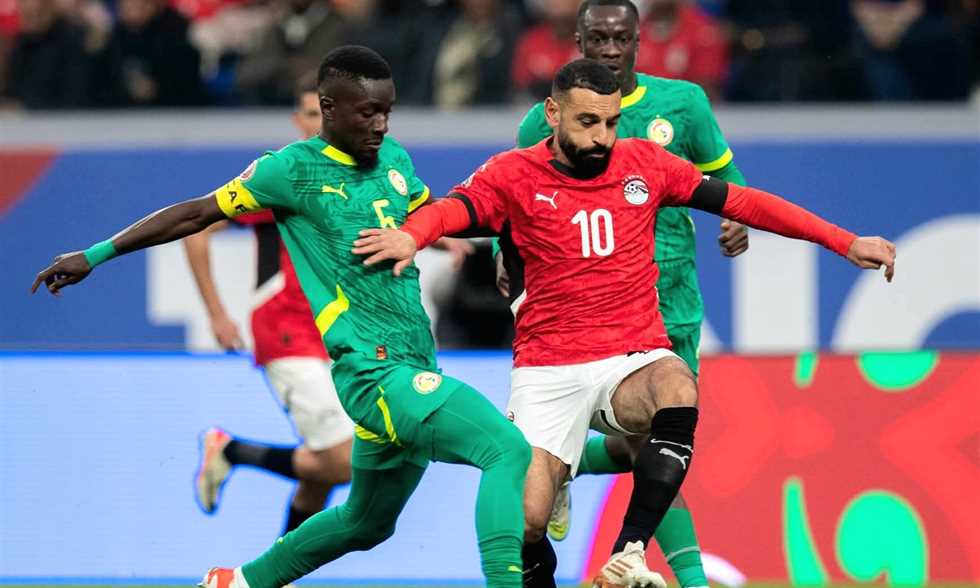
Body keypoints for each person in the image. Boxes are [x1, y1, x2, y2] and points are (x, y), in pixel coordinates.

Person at [351, 58, 896, 588]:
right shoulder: (513, 174)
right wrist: (412, 236)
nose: (602, 137)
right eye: (587, 121)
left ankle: (628, 551)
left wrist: (844, 241)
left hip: (631, 358)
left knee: (677, 385)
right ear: (553, 114)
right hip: (548, 369)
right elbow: (452, 210)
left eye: (611, 122)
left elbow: (743, 202)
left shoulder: (646, 163)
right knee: (526, 523)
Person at [32, 45, 530, 588]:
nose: (381, 125)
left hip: (414, 359)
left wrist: (501, 239)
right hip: (376, 372)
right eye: (368, 113)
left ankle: (237, 582)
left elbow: (436, 216)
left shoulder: (394, 160)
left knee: (366, 523)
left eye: (387, 112)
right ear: (328, 107)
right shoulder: (290, 169)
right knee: (505, 449)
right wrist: (95, 255)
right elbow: (196, 213)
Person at [502, 3, 748, 586]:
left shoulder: (683, 104)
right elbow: (511, 202)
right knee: (647, 447)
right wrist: (501, 258)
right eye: (598, 38)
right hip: (591, 305)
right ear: (578, 40)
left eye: (621, 37)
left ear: (640, 39)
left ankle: (566, 470)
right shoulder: (545, 119)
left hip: (673, 300)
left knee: (656, 440)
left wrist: (735, 216)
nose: (610, 48)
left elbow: (727, 178)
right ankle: (680, 576)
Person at [184, 74, 354, 536]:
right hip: (287, 330)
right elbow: (199, 227)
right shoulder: (284, 175)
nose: (323, 122)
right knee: (345, 461)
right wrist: (216, 312)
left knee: (319, 477)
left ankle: (282, 570)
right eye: (314, 113)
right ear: (299, 120)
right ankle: (231, 450)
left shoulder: (352, 178)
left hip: (335, 338)